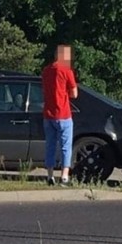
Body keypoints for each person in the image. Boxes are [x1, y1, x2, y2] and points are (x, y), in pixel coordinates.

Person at [41, 44, 78, 186]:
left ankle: (49, 176)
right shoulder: (66, 71)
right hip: (63, 113)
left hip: (48, 113)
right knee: (65, 146)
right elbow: (74, 93)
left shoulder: (46, 71)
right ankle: (64, 177)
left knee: (50, 145)